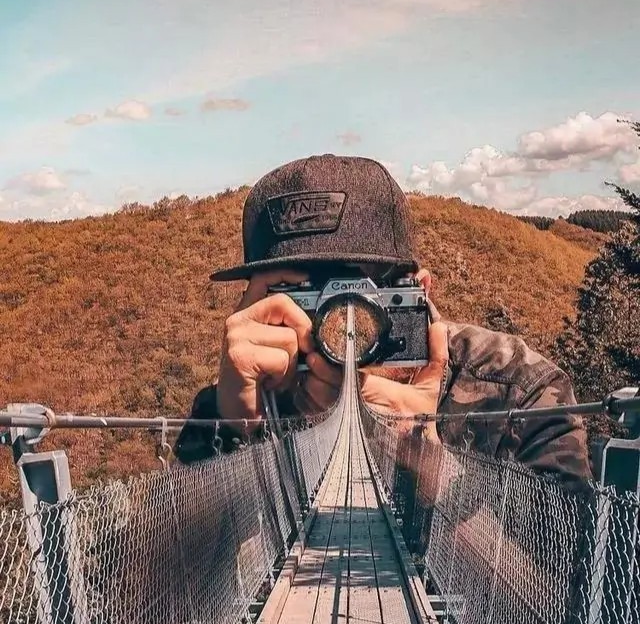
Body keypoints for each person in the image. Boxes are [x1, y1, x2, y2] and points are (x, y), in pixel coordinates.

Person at [174, 154, 591, 485]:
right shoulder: (240, 399)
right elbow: (148, 585)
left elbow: (564, 585)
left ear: (418, 295)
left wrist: (432, 467)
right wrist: (236, 430)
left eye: (361, 297)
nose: (336, 331)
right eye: (301, 299)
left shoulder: (517, 392)